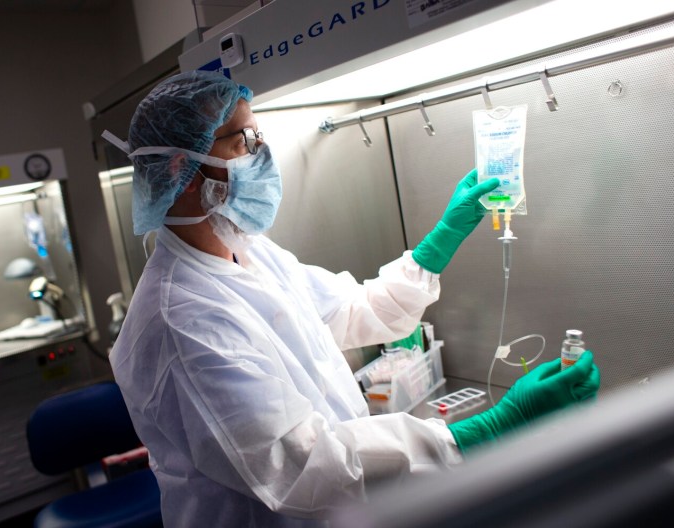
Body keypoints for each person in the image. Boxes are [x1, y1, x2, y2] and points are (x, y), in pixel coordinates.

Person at [105, 70, 600, 527]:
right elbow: (302, 464)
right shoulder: (181, 320)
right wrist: (490, 428)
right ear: (184, 169)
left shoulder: (250, 255)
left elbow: (350, 311)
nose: (264, 155)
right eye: (246, 141)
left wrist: (439, 243)